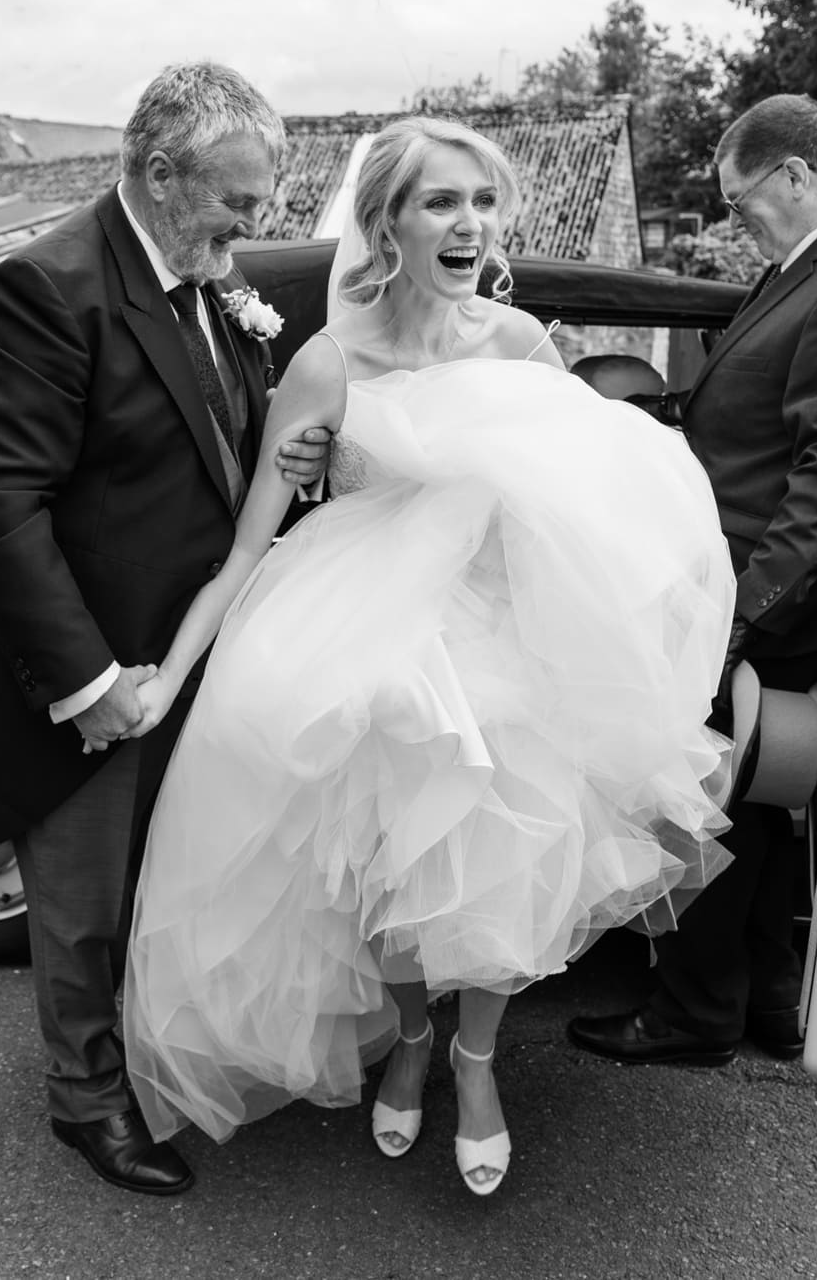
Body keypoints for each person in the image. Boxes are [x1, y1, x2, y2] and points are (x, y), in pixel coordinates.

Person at [117, 117, 738, 1196]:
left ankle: (475, 1056)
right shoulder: (324, 361)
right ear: (385, 223)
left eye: (482, 203)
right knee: (382, 864)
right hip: (354, 624)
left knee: (495, 856)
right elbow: (246, 544)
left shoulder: (521, 349)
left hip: (496, 626)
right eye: (439, 201)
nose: (469, 223)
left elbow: (585, 510)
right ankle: (410, 1032)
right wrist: (166, 679)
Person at [0, 62, 328, 1198]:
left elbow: (209, 454)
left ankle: (145, 1057)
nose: (252, 227)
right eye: (237, 201)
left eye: (259, 204)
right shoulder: (46, 288)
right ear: (159, 173)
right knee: (84, 906)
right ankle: (86, 1101)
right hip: (98, 670)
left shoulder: (209, 278)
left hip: (201, 650)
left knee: (172, 884)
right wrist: (86, 679)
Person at [564, 93, 817, 1068]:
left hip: (759, 591)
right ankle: (765, 998)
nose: (737, 224)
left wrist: (735, 617)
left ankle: (693, 1010)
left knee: (703, 798)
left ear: (792, 176)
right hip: (751, 583)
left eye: (738, 203)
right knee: (761, 805)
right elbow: (756, 413)